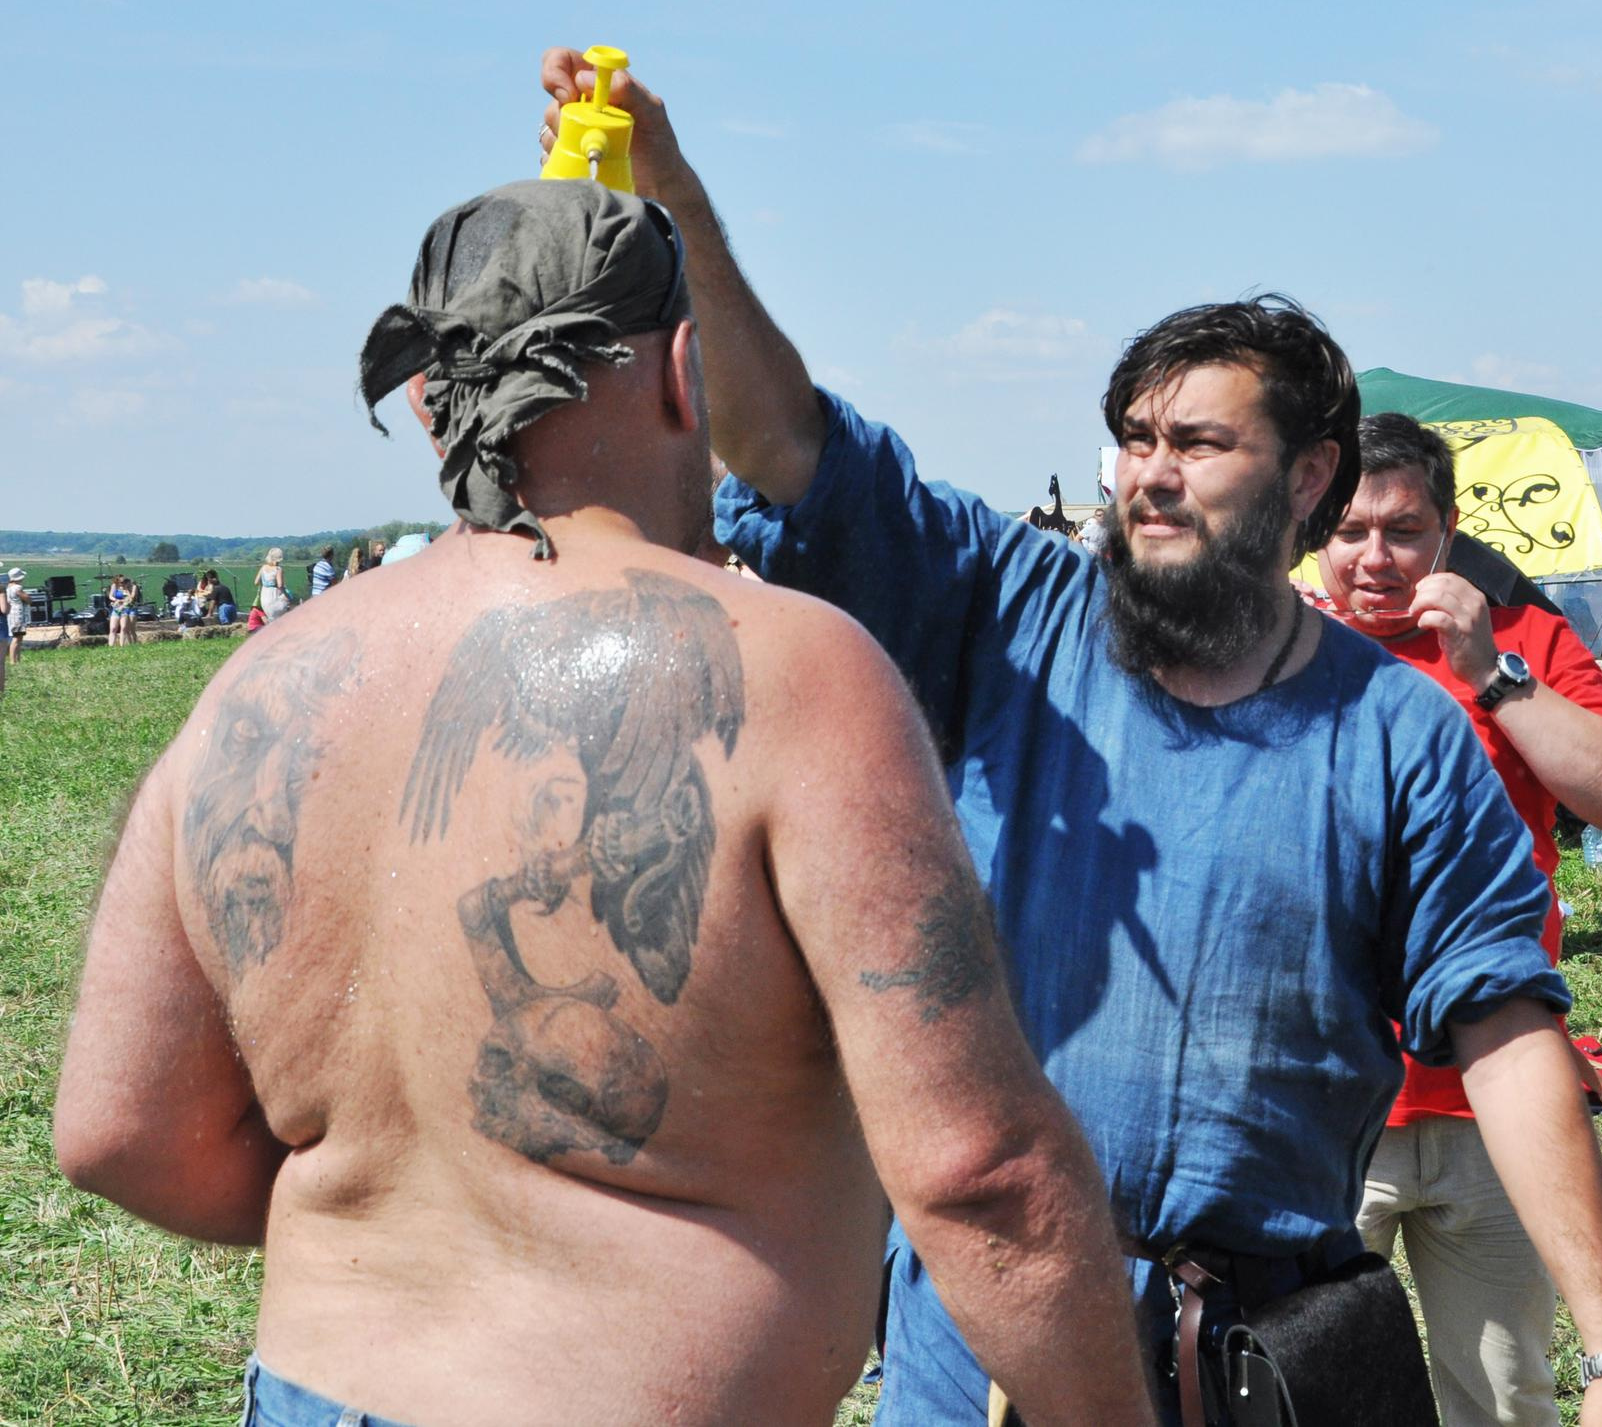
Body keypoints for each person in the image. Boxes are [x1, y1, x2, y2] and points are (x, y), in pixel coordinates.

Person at [544, 46, 1602, 1427]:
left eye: (1199, 441)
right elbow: (783, 437)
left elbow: (1505, 1030)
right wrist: (671, 192)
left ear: (1309, 475)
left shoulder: (1399, 738)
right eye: (1135, 436)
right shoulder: (1009, 613)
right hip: (992, 1342)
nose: (1151, 470)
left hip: (1255, 1355)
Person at [53, 178, 1153, 1427]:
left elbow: (114, 1129)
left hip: (312, 1393)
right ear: (685, 373)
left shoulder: (261, 685)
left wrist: (421, 1227)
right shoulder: (785, 673)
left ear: (430, 403)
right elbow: (983, 1176)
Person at [1316, 413, 1602, 1427]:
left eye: (1403, 530)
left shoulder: (1524, 641)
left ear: (1449, 531)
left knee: (1507, 1398)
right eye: (1348, 531)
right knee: (1309, 1391)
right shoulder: (1271, 653)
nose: (1375, 558)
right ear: (1309, 529)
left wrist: (1490, 676)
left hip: (1496, 1110)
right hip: (1331, 1113)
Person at [255, 548, 292, 619]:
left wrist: (266, 583)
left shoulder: (263, 567)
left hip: (264, 598)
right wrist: (288, 596)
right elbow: (280, 585)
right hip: (274, 597)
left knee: (271, 618)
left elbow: (256, 582)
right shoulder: (278, 569)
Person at [5, 568, 27, 670]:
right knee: (17, 638)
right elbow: (26, 598)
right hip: (17, 614)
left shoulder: (7, 587)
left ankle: (16, 659)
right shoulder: (17, 588)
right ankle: (13, 660)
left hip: (10, 614)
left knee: (17, 637)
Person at [107, 573, 137, 645]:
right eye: (120, 582)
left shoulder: (127, 588)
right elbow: (110, 596)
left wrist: (124, 599)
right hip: (116, 608)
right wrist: (115, 600)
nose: (121, 584)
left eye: (123, 582)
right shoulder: (114, 586)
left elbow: (130, 598)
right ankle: (111, 645)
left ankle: (125, 645)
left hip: (125, 609)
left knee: (124, 628)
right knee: (113, 628)